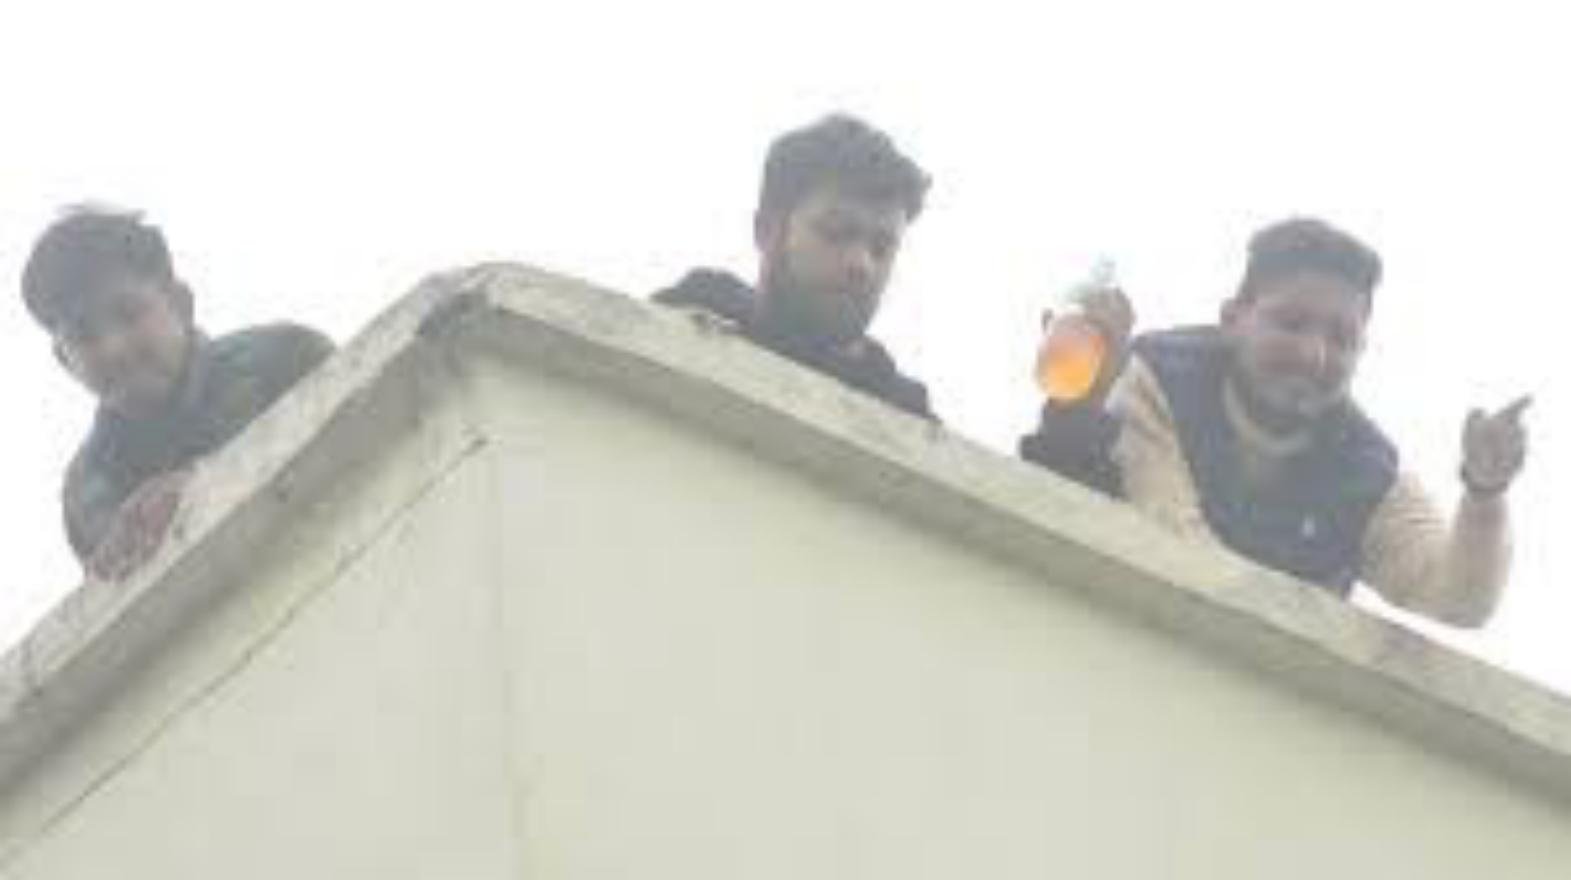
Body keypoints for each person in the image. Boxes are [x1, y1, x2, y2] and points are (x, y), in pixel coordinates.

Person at [1019, 218, 1528, 627]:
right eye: (1291, 323)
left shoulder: (1366, 470)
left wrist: (1485, 492)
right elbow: (1175, 543)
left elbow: (1459, 600)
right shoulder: (1158, 379)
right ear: (1233, 318)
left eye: (1341, 338)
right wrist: (1083, 402)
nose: (1313, 354)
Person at [21, 208, 335, 579]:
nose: (113, 348)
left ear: (181, 303)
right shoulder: (87, 493)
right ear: (65, 362)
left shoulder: (285, 360)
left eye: (128, 313)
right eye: (84, 335)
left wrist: (201, 491)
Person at [654, 114, 935, 418]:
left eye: (881, 248)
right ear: (768, 231)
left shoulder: (904, 409)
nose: (862, 264)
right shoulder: (684, 320)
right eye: (837, 232)